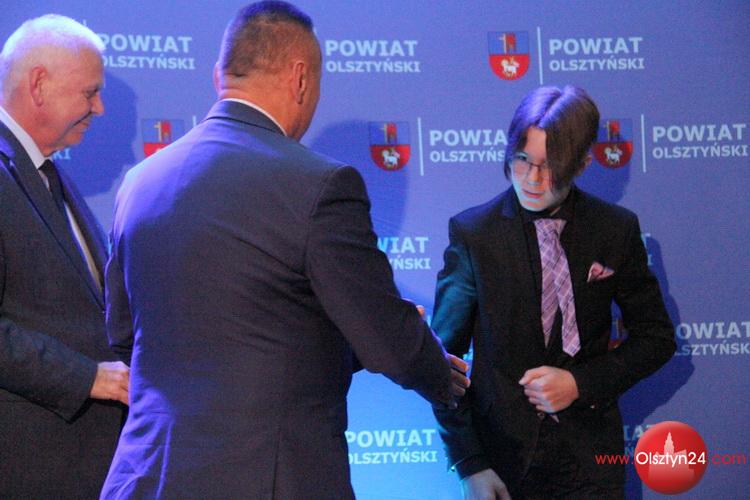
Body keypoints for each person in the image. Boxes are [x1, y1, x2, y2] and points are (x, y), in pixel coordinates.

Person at [100, 2, 468, 498]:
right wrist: (442, 375)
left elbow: (126, 337)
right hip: (268, 479)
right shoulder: (319, 184)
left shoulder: (139, 182)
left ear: (219, 75)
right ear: (300, 78)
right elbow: (384, 337)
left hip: (147, 476)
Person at [432, 85, 675, 499]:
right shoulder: (475, 234)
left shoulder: (614, 229)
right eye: (522, 159)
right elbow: (441, 363)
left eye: (549, 166)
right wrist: (470, 463)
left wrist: (580, 383)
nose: (532, 179)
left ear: (582, 163)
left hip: (591, 463)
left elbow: (657, 339)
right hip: (501, 463)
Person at [0, 14, 129, 498]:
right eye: (89, 93)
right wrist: (88, 377)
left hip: (82, 465)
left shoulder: (48, 172)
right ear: (38, 85)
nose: (99, 107)